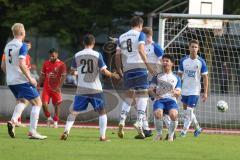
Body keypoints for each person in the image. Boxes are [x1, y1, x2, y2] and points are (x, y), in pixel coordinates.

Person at [60, 34, 120, 141]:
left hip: (81, 88)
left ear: (83, 43)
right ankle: (102, 137)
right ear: (93, 43)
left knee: (74, 111)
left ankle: (66, 131)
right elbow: (103, 71)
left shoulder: (77, 55)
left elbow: (73, 72)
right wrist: (112, 74)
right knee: (102, 111)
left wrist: (81, 73)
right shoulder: (97, 55)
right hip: (95, 88)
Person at [1, 23, 47, 139]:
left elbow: (2, 65)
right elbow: (22, 64)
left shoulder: (7, 46)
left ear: (13, 33)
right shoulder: (23, 45)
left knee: (23, 101)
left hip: (11, 81)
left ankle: (13, 121)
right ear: (22, 33)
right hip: (21, 80)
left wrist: (10, 76)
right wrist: (30, 78)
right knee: (38, 103)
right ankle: (33, 132)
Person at [115, 16, 155, 139]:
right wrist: (148, 66)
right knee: (143, 95)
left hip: (127, 70)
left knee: (129, 95)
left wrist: (119, 71)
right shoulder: (140, 35)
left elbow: (117, 55)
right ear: (140, 25)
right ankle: (139, 121)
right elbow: (141, 50)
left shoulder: (121, 37)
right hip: (139, 67)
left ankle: (122, 120)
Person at [133, 26, 165, 139]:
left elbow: (164, 62)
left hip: (153, 80)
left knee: (158, 102)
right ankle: (145, 128)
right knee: (138, 102)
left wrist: (161, 77)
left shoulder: (155, 47)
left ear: (147, 36)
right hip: (143, 78)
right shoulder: (142, 46)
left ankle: (169, 126)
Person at [178, 39, 208, 137]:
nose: (194, 49)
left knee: (190, 111)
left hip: (195, 90)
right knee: (187, 112)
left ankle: (184, 131)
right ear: (189, 48)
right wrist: (177, 88)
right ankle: (198, 128)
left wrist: (205, 92)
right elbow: (179, 76)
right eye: (192, 47)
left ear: (198, 49)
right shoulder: (183, 61)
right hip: (184, 89)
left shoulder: (201, 62)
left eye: (196, 47)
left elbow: (205, 77)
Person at [149, 54, 181, 141]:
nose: (165, 62)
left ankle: (170, 135)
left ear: (172, 64)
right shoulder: (157, 76)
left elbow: (179, 91)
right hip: (160, 100)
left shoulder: (176, 78)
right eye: (163, 61)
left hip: (171, 101)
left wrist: (176, 92)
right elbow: (150, 89)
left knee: (174, 115)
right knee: (158, 113)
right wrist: (155, 95)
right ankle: (159, 135)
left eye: (167, 61)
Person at [38, 48, 67, 128]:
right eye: (50, 56)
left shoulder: (61, 64)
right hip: (46, 88)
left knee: (57, 105)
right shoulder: (46, 63)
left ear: (57, 55)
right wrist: (38, 85)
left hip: (55, 89)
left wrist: (59, 86)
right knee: (43, 104)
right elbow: (42, 75)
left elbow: (64, 76)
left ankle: (56, 121)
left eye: (53, 55)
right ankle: (48, 117)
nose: (52, 57)